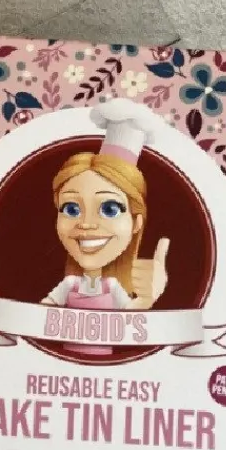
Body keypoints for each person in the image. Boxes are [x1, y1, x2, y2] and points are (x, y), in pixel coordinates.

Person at [41, 99, 170, 355]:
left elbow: (131, 315)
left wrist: (148, 298)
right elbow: (40, 313)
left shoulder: (113, 288)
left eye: (109, 209)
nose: (86, 224)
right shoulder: (69, 285)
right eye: (71, 209)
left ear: (136, 222)